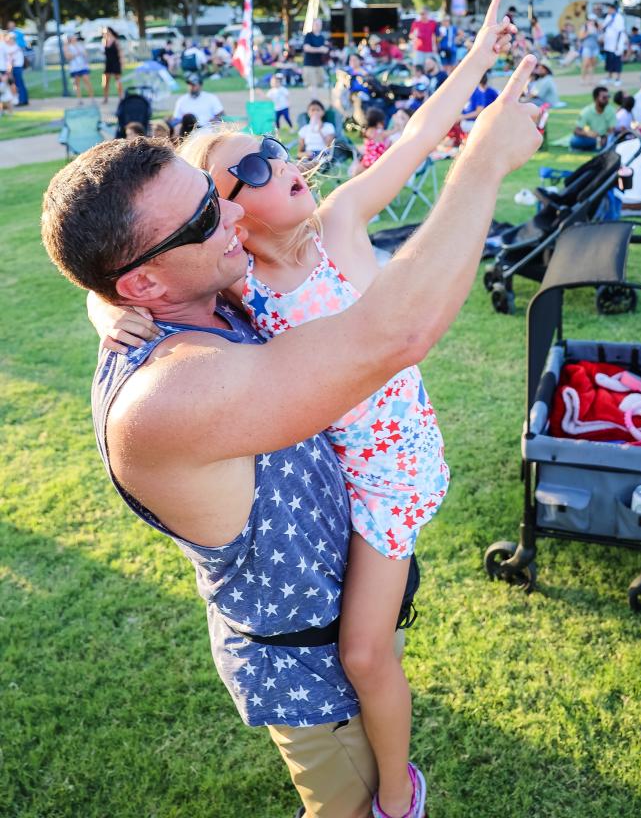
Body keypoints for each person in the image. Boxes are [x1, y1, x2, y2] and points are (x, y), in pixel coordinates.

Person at [42, 46, 542, 818]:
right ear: (142, 281)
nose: (235, 213)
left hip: (355, 582)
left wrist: (105, 301)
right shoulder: (166, 396)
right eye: (211, 211)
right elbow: (392, 335)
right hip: (319, 684)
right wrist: (483, 164)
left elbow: (126, 283)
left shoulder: (201, 293)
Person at [570, 85, 614, 151]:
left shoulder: (611, 110)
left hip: (605, 137)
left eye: (608, 97)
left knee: (613, 140)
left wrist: (605, 137)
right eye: (604, 98)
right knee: (574, 141)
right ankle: (597, 147)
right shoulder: (586, 111)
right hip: (590, 138)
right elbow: (577, 131)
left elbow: (612, 129)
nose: (607, 100)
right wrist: (588, 133)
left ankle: (592, 148)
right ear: (596, 98)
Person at [601, 5, 626, 87]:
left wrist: (617, 44)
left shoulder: (619, 18)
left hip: (616, 44)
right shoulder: (608, 17)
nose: (608, 10)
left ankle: (618, 78)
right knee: (609, 61)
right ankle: (609, 77)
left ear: (614, 9)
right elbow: (603, 27)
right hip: (608, 44)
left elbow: (619, 31)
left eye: (609, 9)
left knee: (617, 61)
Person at [65, 34, 95, 102]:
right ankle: (79, 99)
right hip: (74, 67)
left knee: (87, 80)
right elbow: (68, 57)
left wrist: (84, 54)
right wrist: (76, 54)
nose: (74, 38)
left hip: (83, 66)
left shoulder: (80, 45)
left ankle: (92, 98)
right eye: (73, 37)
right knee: (76, 83)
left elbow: (85, 54)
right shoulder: (68, 47)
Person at [302, 18, 330, 91]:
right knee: (311, 87)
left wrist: (327, 50)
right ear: (312, 25)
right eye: (316, 24)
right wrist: (320, 49)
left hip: (320, 65)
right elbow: (306, 48)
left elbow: (325, 50)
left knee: (322, 86)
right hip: (309, 65)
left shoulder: (322, 38)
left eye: (319, 24)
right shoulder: (309, 36)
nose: (318, 26)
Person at [102, 27, 124, 105]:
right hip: (108, 63)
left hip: (116, 63)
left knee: (118, 81)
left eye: (106, 32)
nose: (105, 33)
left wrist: (122, 63)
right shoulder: (104, 41)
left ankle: (121, 97)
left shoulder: (116, 41)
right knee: (105, 82)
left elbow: (120, 53)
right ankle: (105, 98)